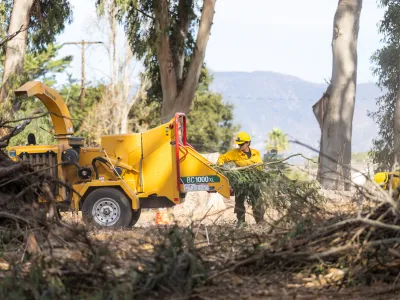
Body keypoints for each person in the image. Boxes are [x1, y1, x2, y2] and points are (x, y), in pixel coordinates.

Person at [217, 131, 264, 226]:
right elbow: (222, 158)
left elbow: (261, 165)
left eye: (242, 144)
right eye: (239, 144)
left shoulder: (256, 153)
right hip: (241, 181)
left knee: (257, 202)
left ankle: (260, 223)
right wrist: (220, 166)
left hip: (253, 180)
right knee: (239, 201)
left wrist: (257, 170)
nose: (240, 146)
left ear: (247, 143)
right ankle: (241, 222)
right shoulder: (234, 153)